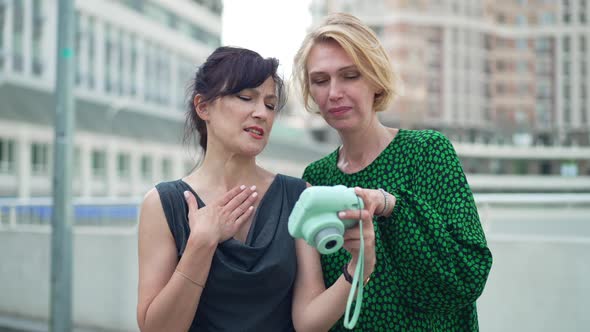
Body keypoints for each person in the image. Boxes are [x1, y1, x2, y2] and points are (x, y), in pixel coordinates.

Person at [136, 46, 379, 332]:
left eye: (270, 104)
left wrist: (359, 267)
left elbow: (308, 323)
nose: (261, 113)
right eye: (246, 98)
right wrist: (200, 245)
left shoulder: (299, 195)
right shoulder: (163, 204)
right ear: (203, 107)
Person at [292, 13, 493, 331]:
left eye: (350, 75)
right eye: (320, 80)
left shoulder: (427, 151)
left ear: (375, 80)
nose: (334, 92)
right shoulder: (316, 177)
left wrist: (391, 205)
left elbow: (469, 274)